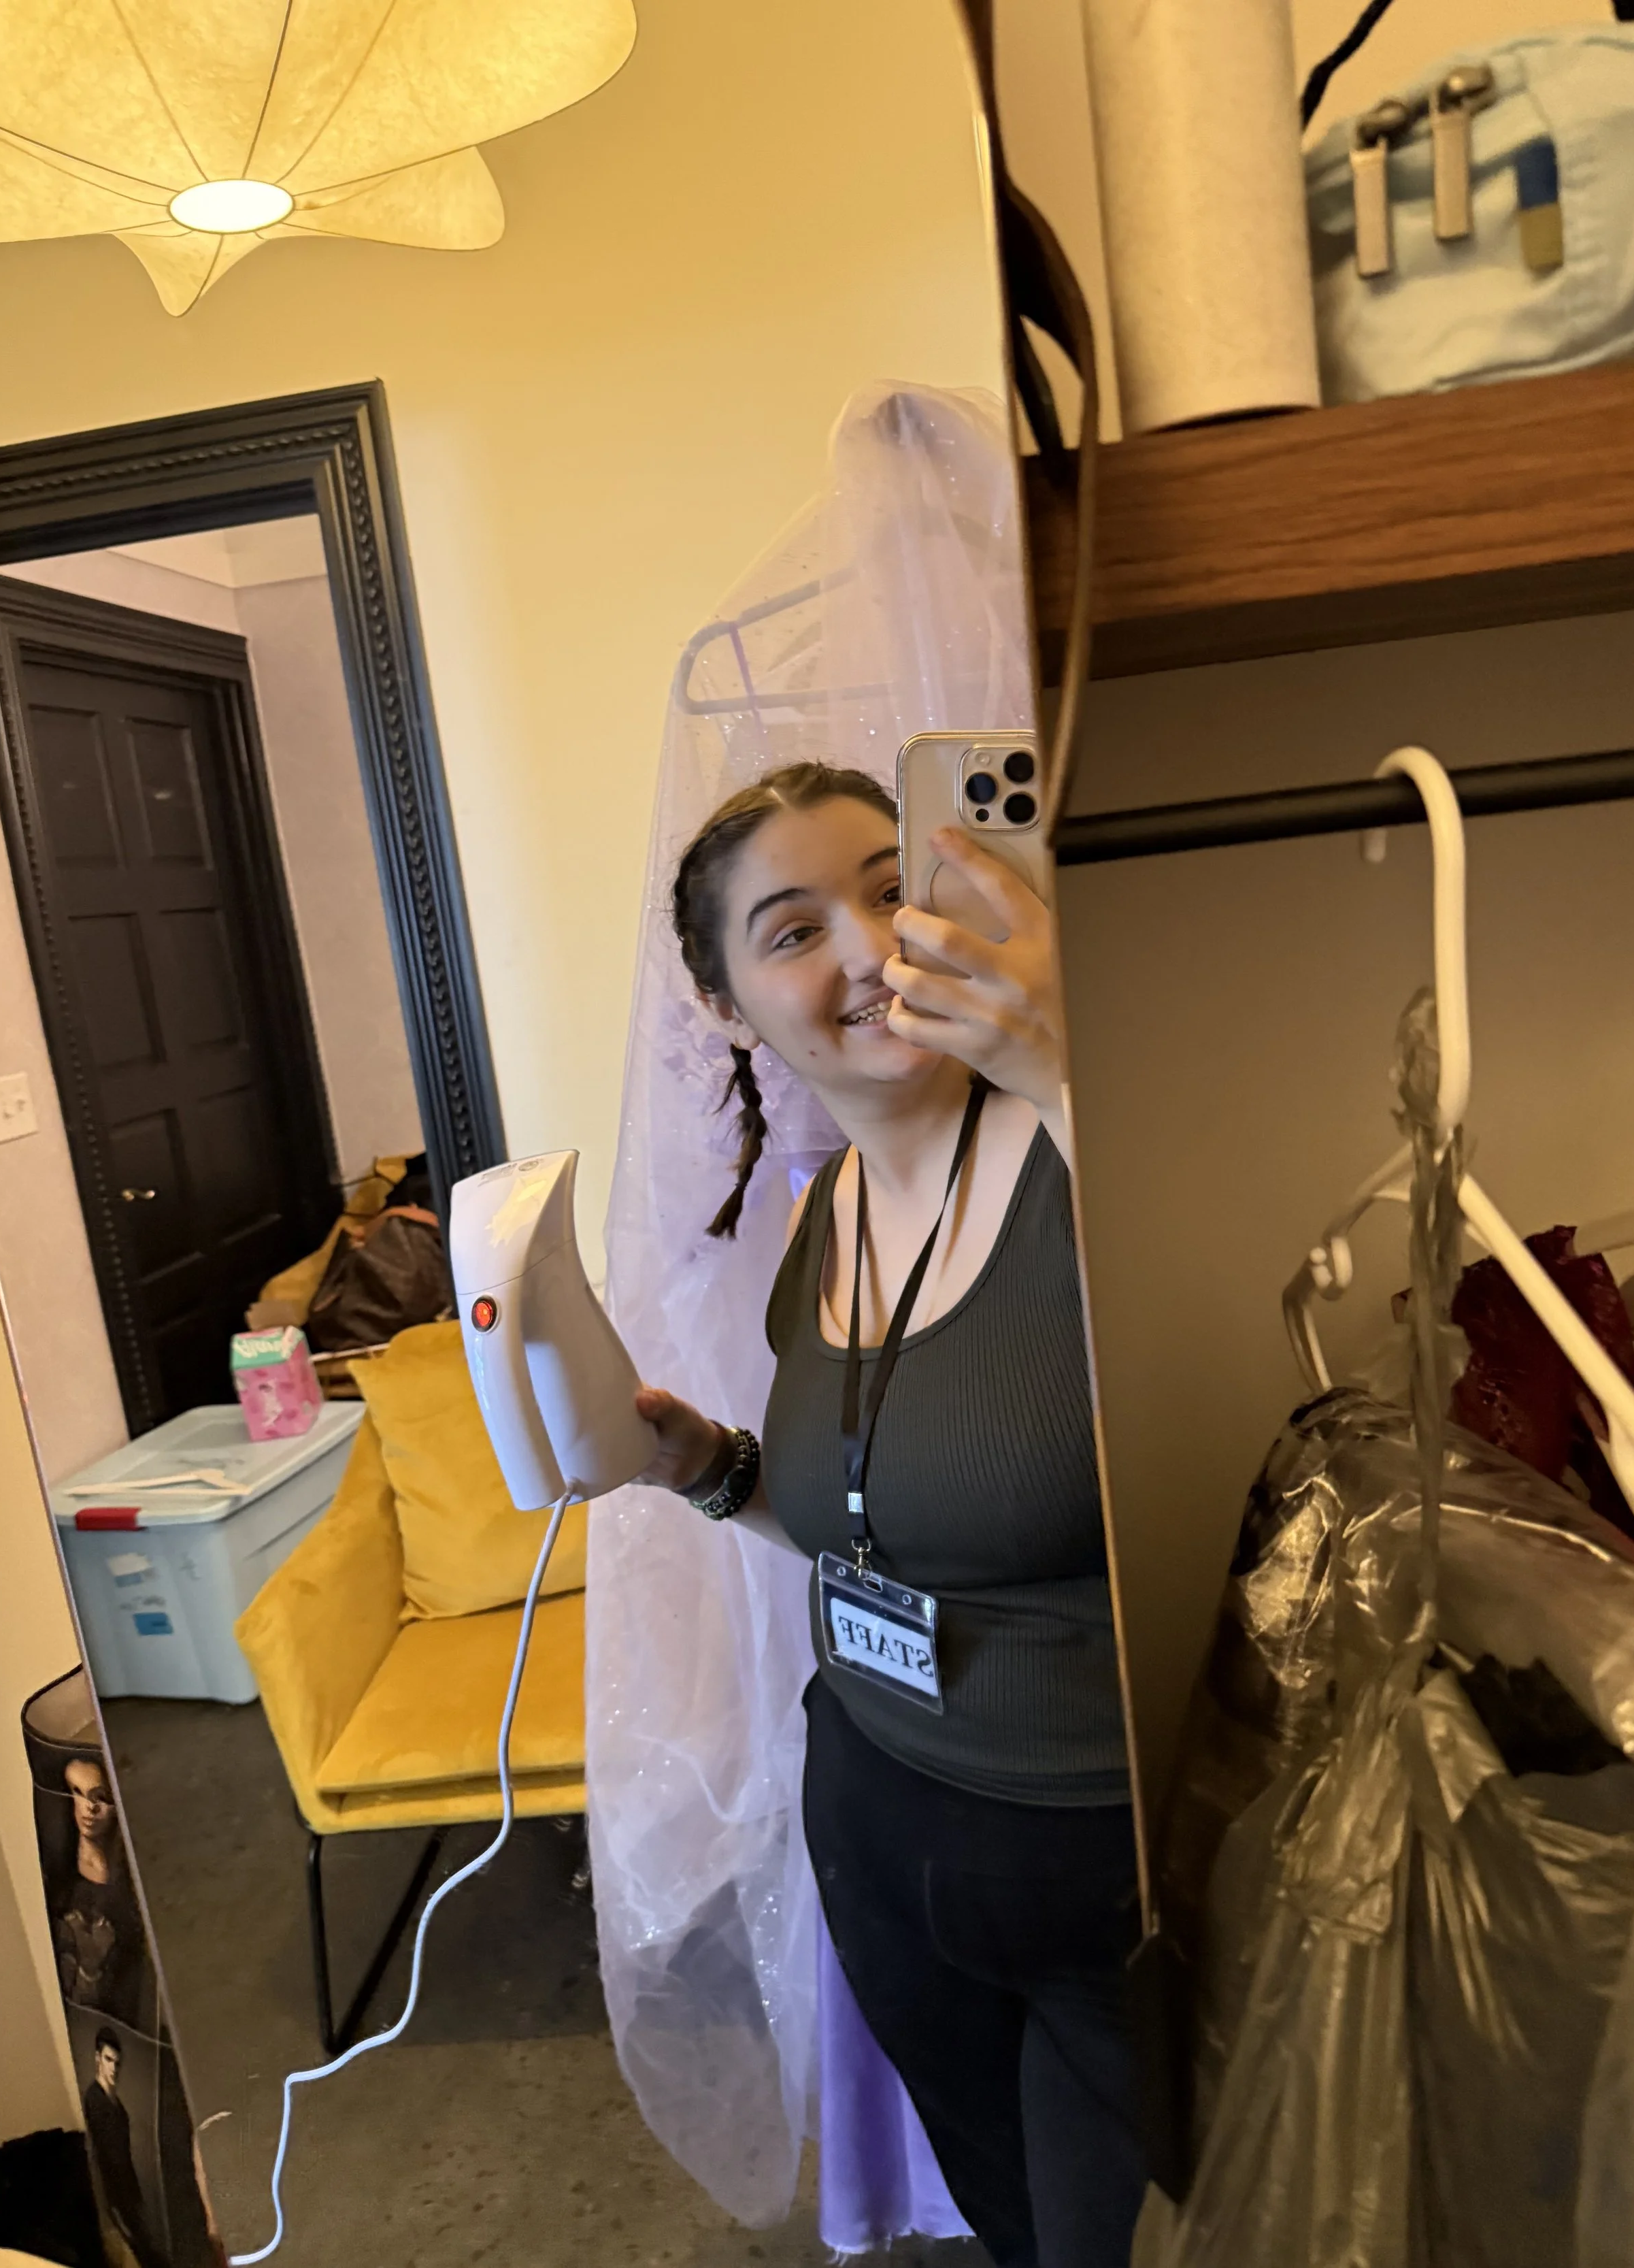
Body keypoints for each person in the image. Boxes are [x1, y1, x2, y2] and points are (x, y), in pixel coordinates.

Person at [634, 760, 1144, 2268]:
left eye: (886, 886)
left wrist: (1069, 1068)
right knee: (1006, 2217)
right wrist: (709, 1470)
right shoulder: (825, 1217)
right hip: (875, 1820)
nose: (866, 950)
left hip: (1096, 1858)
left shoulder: (1081, 1145)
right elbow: (872, 1522)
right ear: (730, 1009)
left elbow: (1238, 1367)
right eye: (792, 931)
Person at [54, 1754, 146, 2024]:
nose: (89, 1808)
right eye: (78, 1794)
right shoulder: (63, 1882)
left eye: (101, 1797)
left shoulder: (129, 1882)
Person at [82, 2026, 166, 2268]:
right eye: (108, 2060)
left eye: (117, 2062)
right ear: (98, 2058)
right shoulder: (94, 2100)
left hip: (129, 2192)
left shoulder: (115, 2103)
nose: (114, 2068)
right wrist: (115, 2207)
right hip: (116, 2196)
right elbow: (104, 2158)